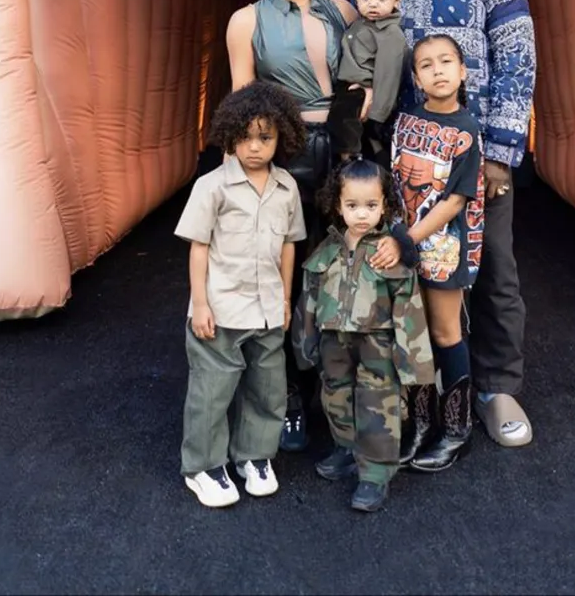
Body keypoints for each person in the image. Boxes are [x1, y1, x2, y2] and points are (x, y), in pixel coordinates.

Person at [377, 0, 537, 450]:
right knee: (412, 271)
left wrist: (501, 151)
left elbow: (518, 57)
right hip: (408, 166)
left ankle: (497, 389)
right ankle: (423, 392)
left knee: (492, 268)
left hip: (476, 156)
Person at [226, 0, 357, 452]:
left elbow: (367, 71)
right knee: (283, 272)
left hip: (344, 150)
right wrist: (243, 180)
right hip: (289, 153)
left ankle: (342, 389)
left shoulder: (342, 11)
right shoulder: (246, 20)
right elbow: (244, 103)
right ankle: (286, 395)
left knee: (343, 269)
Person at [175, 81, 307, 507]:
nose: (254, 147)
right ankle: (203, 465)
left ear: (280, 137)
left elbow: (289, 246)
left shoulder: (287, 188)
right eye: (245, 137)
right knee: (212, 390)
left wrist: (285, 300)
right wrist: (199, 304)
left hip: (267, 308)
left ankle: (254, 455)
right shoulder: (212, 186)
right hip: (222, 307)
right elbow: (199, 246)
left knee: (268, 387)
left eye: (265, 137)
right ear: (229, 135)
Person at [293, 158, 434, 512]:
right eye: (352, 205)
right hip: (333, 340)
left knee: (378, 403)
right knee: (335, 395)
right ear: (337, 205)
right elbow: (309, 298)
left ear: (385, 205)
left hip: (377, 342)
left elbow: (409, 307)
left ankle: (375, 474)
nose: (361, 214)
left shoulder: (389, 254)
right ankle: (346, 449)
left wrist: (414, 364)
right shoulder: (326, 250)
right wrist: (304, 344)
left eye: (371, 205)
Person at [390, 35, 486, 471]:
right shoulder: (406, 120)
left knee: (446, 332)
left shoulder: (466, 130)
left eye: (446, 62)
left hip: (444, 246)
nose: (437, 71)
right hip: (407, 239)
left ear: (463, 71)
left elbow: (454, 201)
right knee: (416, 333)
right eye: (426, 65)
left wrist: (408, 238)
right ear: (416, 78)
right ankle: (421, 424)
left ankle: (456, 429)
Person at [326, 0, 408, 164]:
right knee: (341, 125)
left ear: (397, 0)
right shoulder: (359, 23)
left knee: (344, 124)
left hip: (363, 90)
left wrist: (377, 116)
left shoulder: (391, 33)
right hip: (346, 86)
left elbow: (388, 76)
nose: (373, 4)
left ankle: (350, 162)